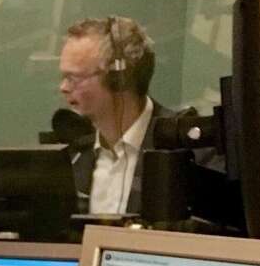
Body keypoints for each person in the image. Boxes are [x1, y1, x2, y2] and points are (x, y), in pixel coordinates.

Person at [57, 16, 173, 216]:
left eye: (73, 78)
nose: (64, 88)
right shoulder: (73, 157)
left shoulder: (186, 153)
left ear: (119, 79)